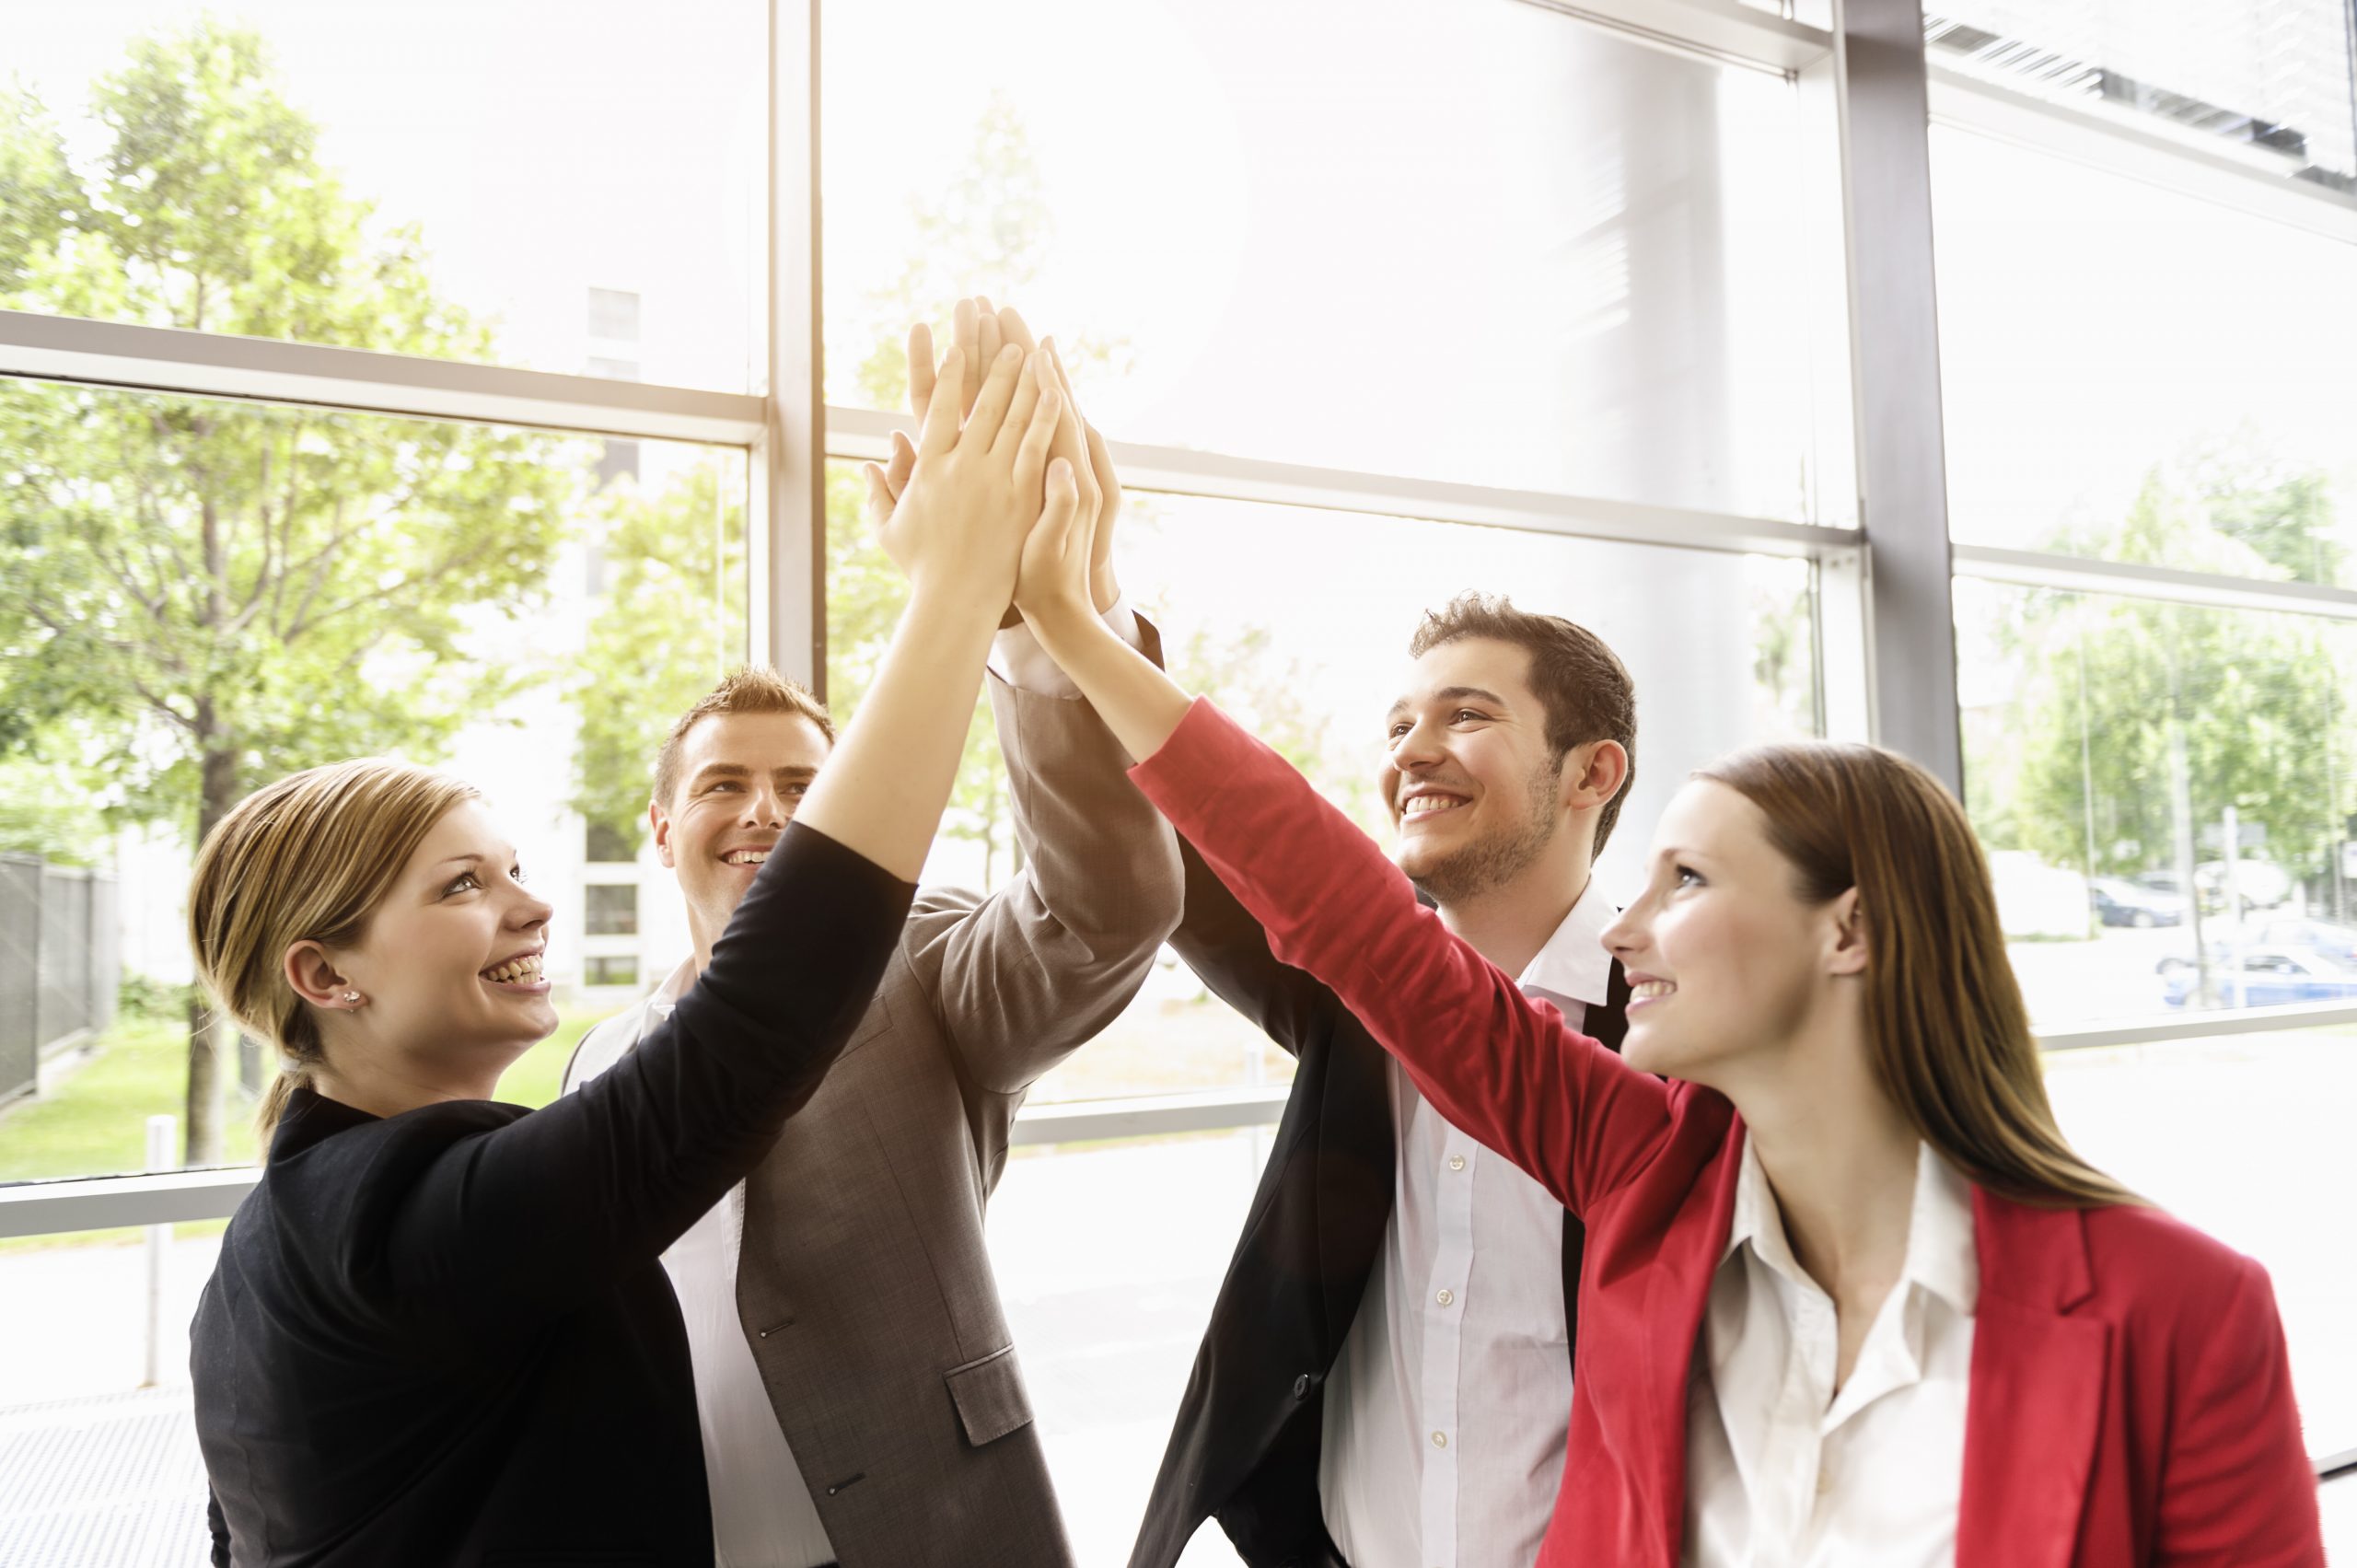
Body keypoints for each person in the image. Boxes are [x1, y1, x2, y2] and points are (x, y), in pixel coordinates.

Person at [1007, 478, 2326, 1566]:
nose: (1626, 929)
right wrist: (1069, 619)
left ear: (1847, 930)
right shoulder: (1641, 1166)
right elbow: (1337, 902)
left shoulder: (2184, 1310)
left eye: (1685, 882)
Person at [187, 341, 1077, 1567]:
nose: (533, 906)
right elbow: (748, 1035)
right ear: (325, 974)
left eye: (512, 867)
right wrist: (954, 593)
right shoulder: (403, 1223)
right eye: (462, 883)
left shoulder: (260, 1254)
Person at [559, 296, 1180, 1568]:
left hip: (918, 1531)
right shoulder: (594, 1061)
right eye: (726, 783)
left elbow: (1104, 909)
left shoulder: (922, 969)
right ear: (661, 822)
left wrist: (1030, 627)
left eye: (804, 785)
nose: (764, 812)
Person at [1130, 592, 1639, 1568]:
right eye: (1399, 724)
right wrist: (1075, 622)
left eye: (1466, 713)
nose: (1411, 748)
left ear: (1592, 769)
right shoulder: (1343, 990)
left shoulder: (1673, 1029)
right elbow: (1203, 827)